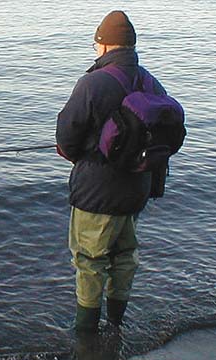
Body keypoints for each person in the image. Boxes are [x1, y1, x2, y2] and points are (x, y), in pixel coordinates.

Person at [56, 10, 168, 332]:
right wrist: (153, 187)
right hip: (136, 192)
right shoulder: (151, 82)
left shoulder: (92, 83)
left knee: (90, 262)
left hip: (96, 195)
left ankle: (86, 336)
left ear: (105, 46)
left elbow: (66, 137)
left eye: (96, 46)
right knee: (124, 258)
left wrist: (76, 155)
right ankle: (116, 326)